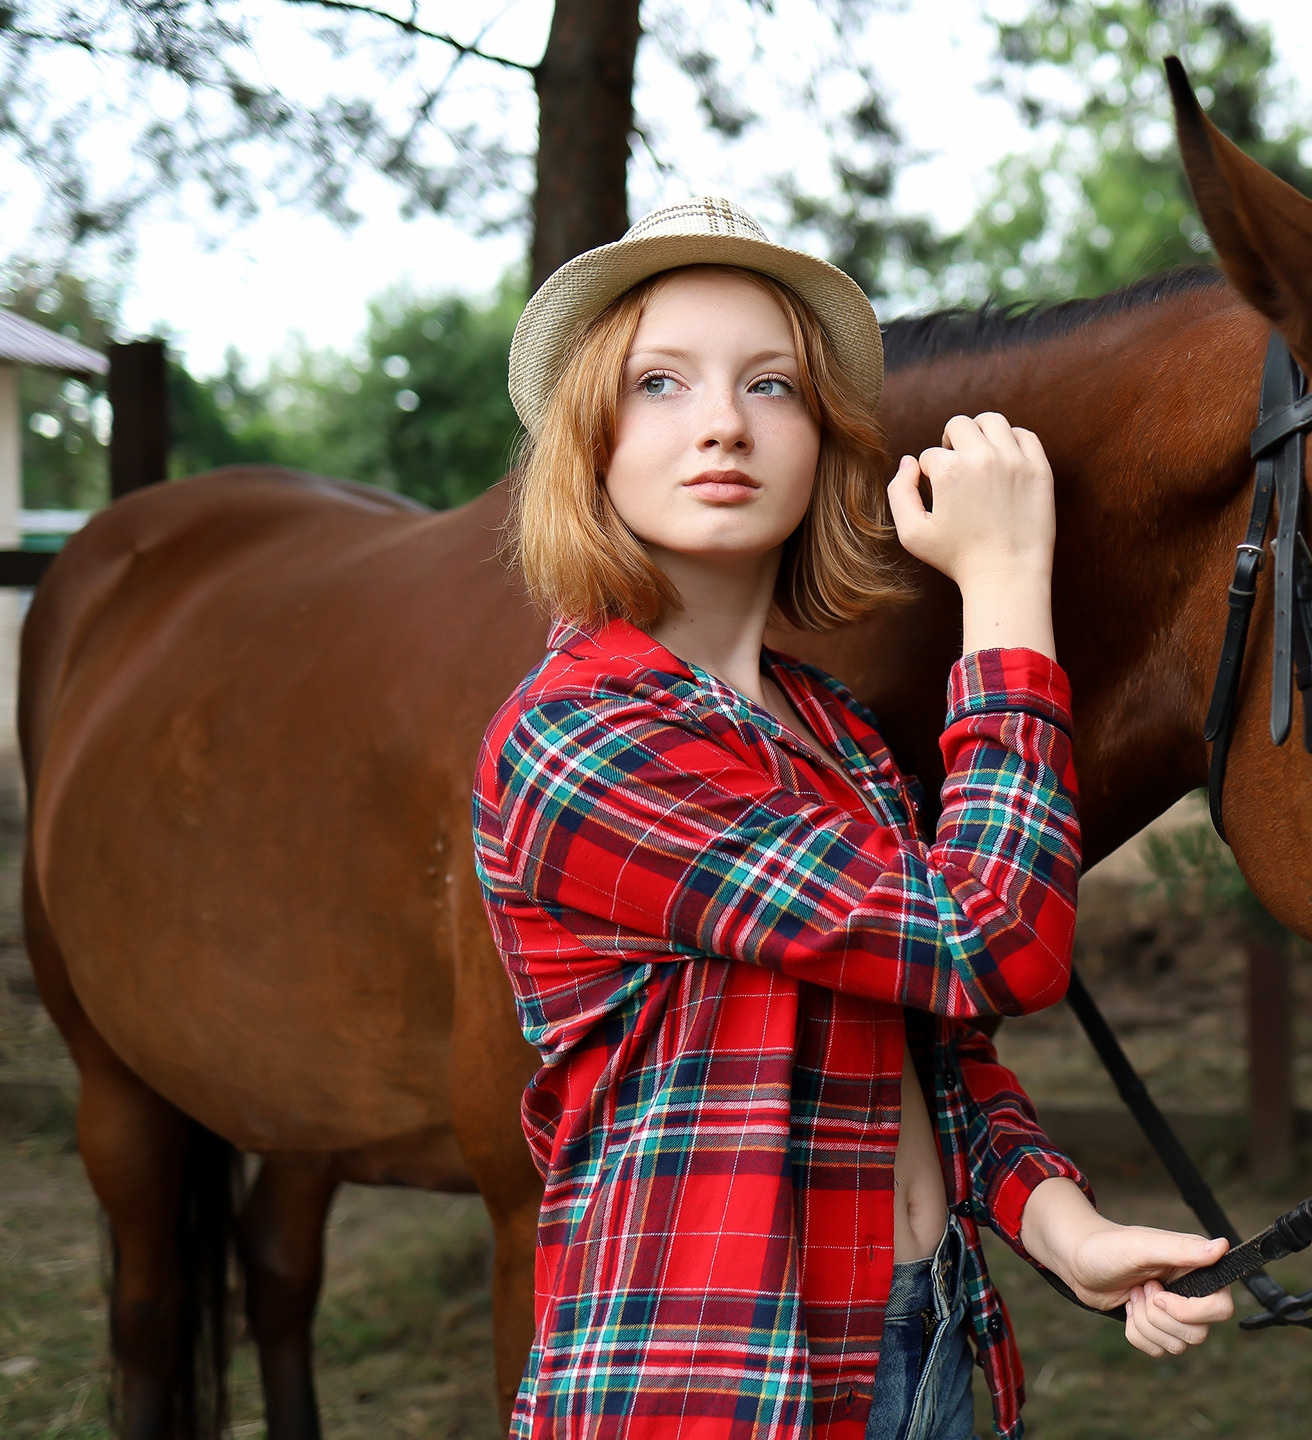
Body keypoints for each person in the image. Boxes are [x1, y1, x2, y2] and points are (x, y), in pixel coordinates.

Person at [473, 196, 1234, 1440]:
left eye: (769, 384)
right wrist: (1005, 582)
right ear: (589, 443)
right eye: (661, 383)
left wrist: (1061, 1225)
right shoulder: (581, 741)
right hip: (715, 1383)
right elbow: (987, 941)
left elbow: (934, 1044)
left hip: (927, 1338)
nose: (723, 421)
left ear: (823, 444)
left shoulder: (831, 729)